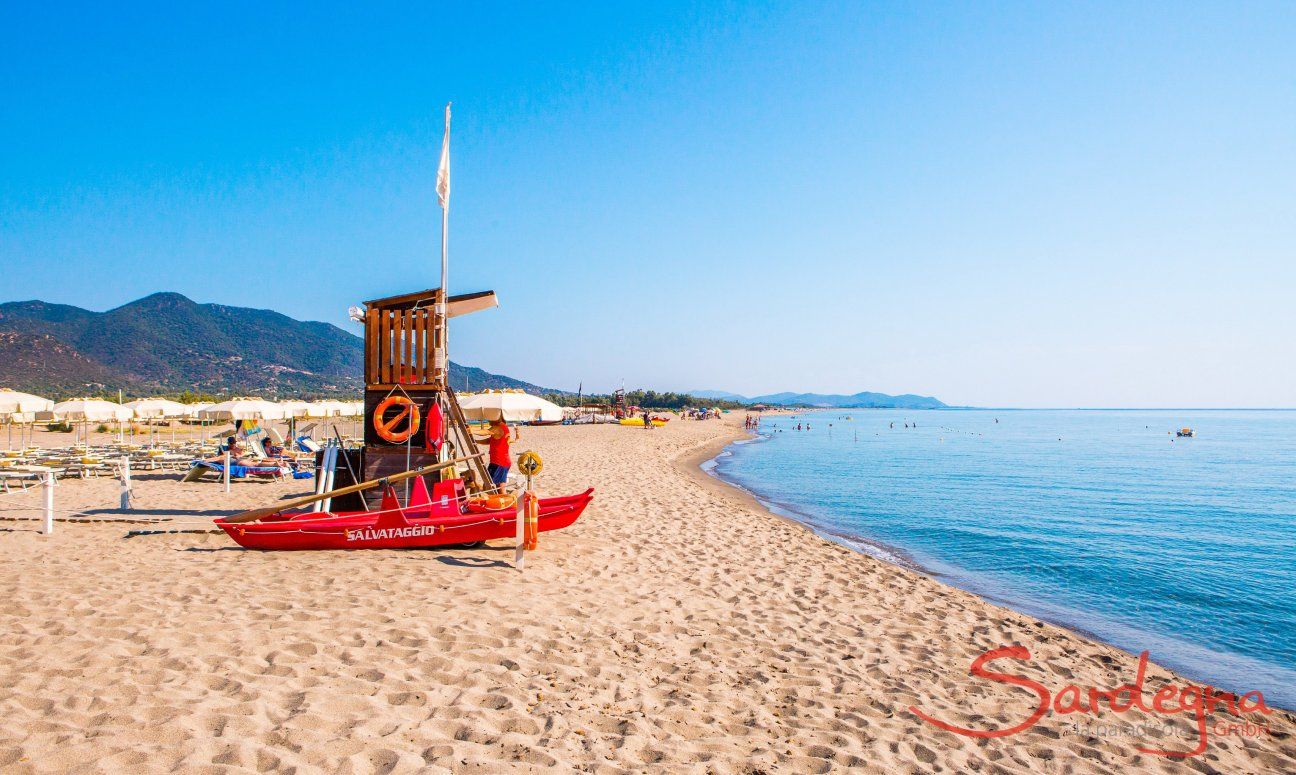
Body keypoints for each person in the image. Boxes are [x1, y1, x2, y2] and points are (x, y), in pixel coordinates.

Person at [474, 418, 512, 489]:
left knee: (488, 486)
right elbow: (490, 440)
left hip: (500, 462)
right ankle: (502, 498)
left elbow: (486, 432)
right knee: (498, 486)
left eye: (490, 418)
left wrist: (472, 431)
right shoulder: (502, 427)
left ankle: (504, 499)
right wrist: (477, 441)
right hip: (500, 461)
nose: (488, 420)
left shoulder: (498, 427)